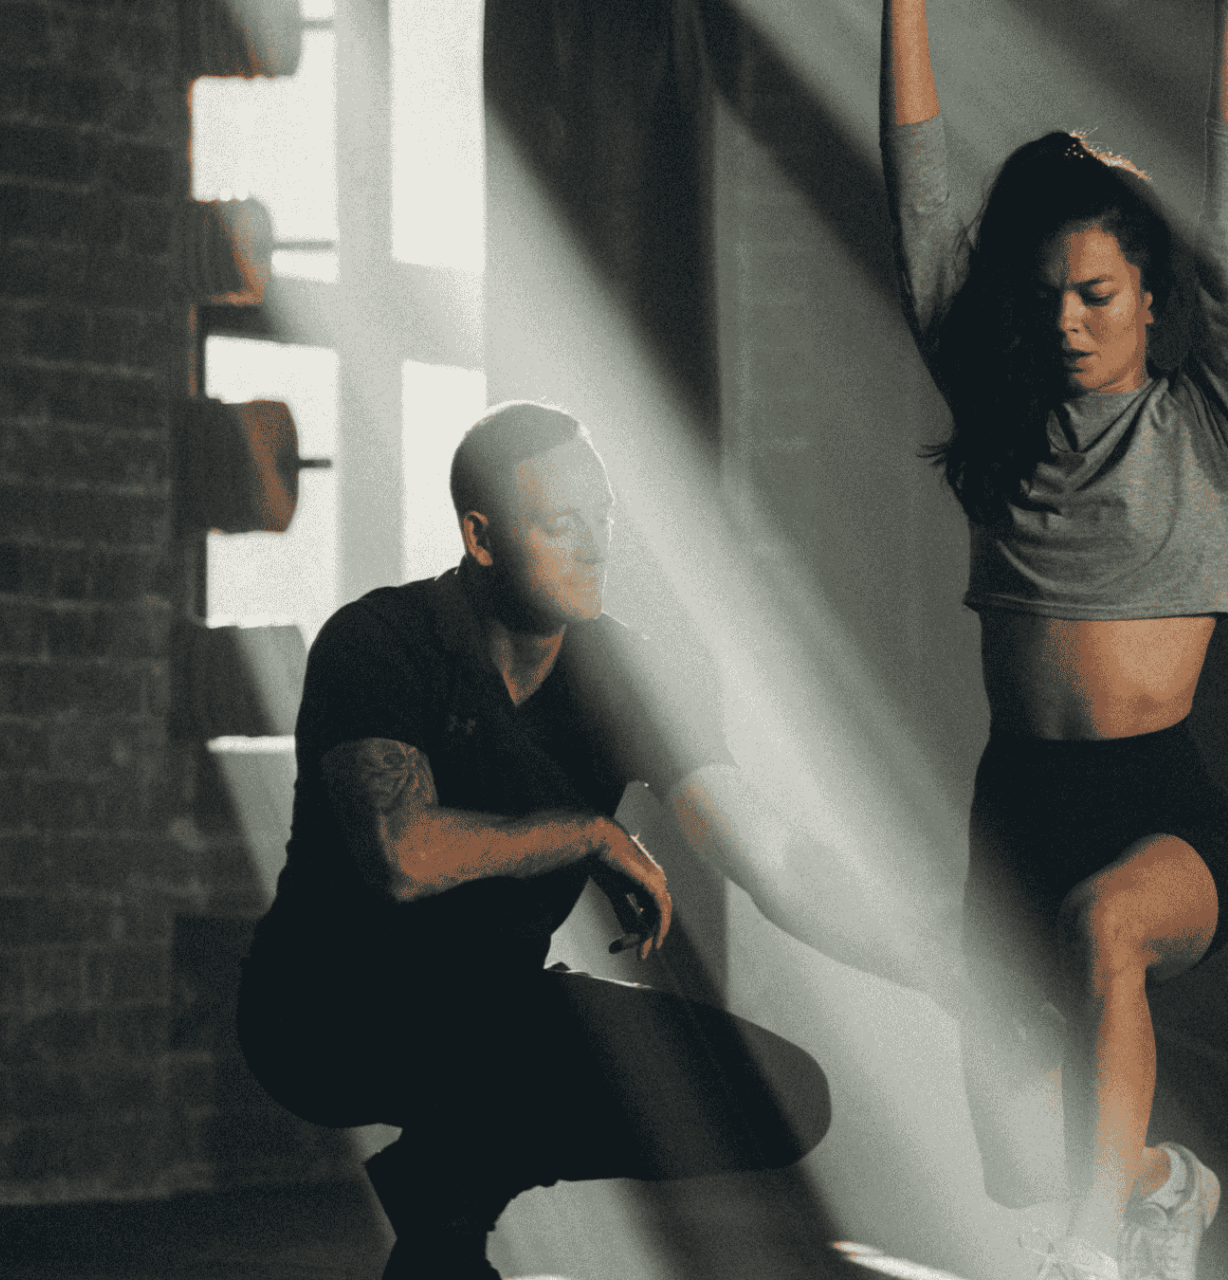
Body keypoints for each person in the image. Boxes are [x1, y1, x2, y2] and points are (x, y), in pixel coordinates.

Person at [236, 402, 927, 1279]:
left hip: (493, 1012)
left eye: (601, 520)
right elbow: (401, 855)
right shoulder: (380, 642)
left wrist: (934, 962)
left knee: (783, 1097)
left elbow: (772, 857)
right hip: (325, 1013)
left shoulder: (620, 674)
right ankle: (447, 1202)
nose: (595, 547)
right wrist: (584, 834)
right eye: (561, 525)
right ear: (482, 539)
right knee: (484, 1043)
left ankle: (447, 1184)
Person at [881, 2, 1228, 1278]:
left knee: (1110, 928)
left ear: (1152, 300)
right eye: (1049, 296)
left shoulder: (1208, 428)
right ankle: (1162, 1188)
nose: (1068, 319)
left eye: (1097, 294)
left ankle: (1094, 1252)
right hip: (1017, 800)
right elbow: (920, 194)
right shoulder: (997, 416)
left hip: (1159, 805)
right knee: (1015, 1155)